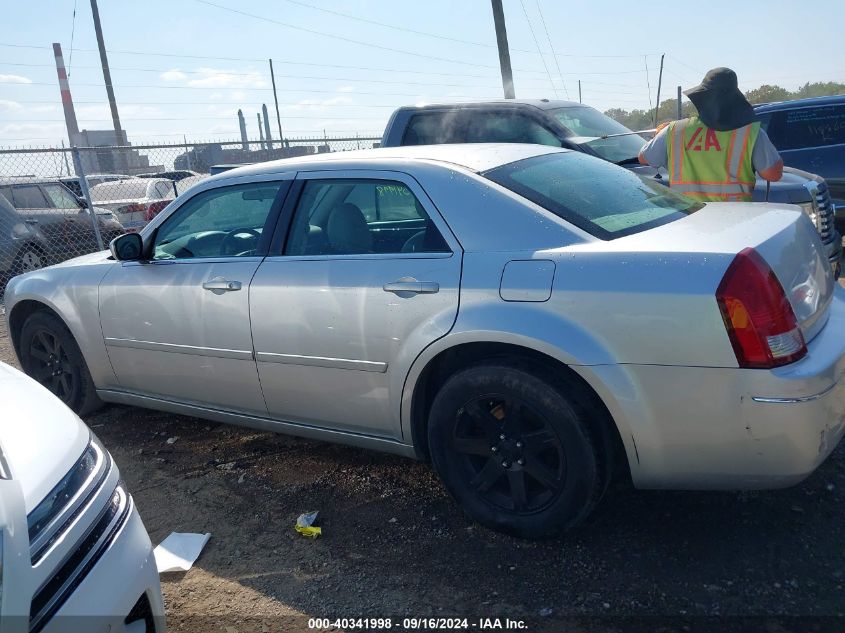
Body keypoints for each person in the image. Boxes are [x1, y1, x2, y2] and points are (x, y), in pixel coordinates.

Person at [638, 67, 783, 201]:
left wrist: (661, 135)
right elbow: (773, 175)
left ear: (702, 98)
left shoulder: (675, 130)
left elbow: (643, 158)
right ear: (736, 101)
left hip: (690, 219)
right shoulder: (750, 133)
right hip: (735, 221)